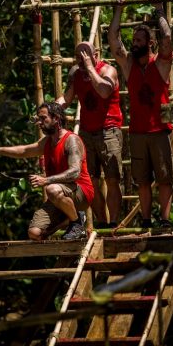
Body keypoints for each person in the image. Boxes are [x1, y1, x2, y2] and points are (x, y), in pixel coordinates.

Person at [108, 0, 173, 228]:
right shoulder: (129, 65)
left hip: (160, 130)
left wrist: (159, 9)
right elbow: (114, 39)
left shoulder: (161, 63)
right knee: (142, 180)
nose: (134, 44)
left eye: (138, 40)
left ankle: (164, 220)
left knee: (165, 178)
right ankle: (146, 220)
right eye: (133, 40)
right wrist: (119, 9)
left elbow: (167, 37)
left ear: (150, 43)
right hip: (137, 131)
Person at [0, 102, 94, 241]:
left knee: (51, 189)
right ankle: (73, 218)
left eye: (43, 118)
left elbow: (75, 172)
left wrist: (46, 180)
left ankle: (76, 222)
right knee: (35, 233)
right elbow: (24, 150)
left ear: (56, 118)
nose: (39, 123)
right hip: (59, 195)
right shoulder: (47, 142)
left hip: (81, 192)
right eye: (39, 119)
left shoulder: (71, 140)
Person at [57, 41, 123, 227]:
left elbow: (104, 91)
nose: (81, 59)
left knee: (112, 179)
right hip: (86, 132)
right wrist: (50, 110)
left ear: (96, 55)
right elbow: (66, 98)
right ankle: (101, 221)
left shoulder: (108, 70)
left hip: (109, 130)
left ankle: (113, 222)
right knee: (90, 180)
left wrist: (89, 68)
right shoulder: (76, 74)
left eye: (85, 55)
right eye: (78, 56)